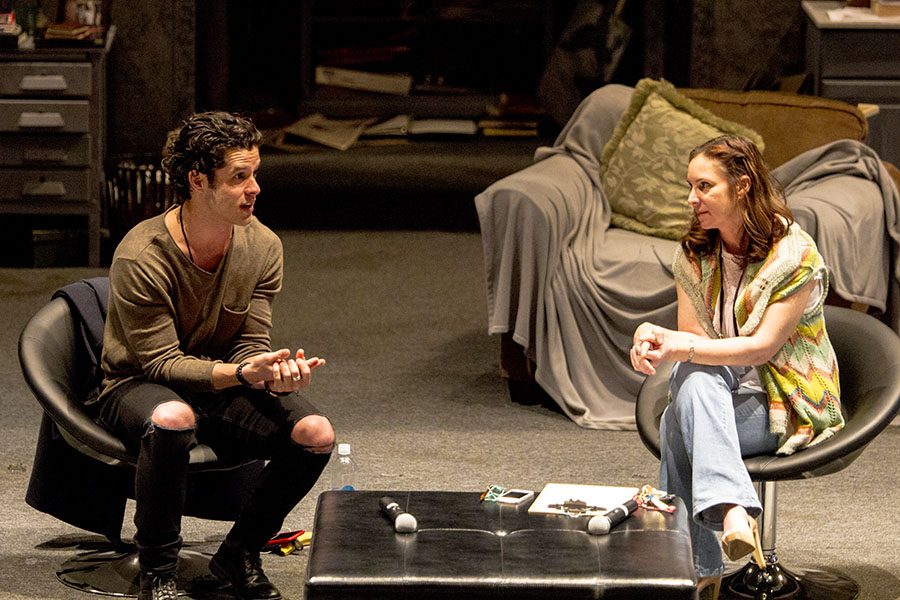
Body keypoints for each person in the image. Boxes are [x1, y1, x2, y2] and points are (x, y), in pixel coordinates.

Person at [98, 111, 335, 600]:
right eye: (239, 177)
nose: (255, 189)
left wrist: (270, 373)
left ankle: (239, 553)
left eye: (255, 174)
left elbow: (250, 342)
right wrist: (241, 372)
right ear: (197, 180)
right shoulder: (143, 253)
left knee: (315, 434)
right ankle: (158, 570)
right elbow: (161, 363)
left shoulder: (264, 245)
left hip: (223, 381)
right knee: (172, 415)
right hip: (136, 381)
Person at [629, 135, 843, 598]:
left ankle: (700, 568)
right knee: (691, 382)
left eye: (704, 186)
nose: (691, 199)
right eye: (690, 186)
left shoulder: (794, 255)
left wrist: (677, 346)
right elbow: (696, 348)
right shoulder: (694, 253)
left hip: (787, 400)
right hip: (720, 395)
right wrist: (655, 335)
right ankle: (730, 515)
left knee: (677, 422)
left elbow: (760, 349)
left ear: (742, 186)